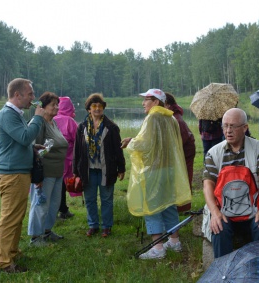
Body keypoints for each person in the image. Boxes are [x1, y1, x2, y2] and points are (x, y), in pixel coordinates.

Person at [121, 89, 191, 260]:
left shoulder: (152, 117)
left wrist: (131, 143)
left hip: (154, 170)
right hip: (169, 169)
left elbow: (144, 144)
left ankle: (157, 247)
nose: (143, 103)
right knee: (168, 203)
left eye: (146, 100)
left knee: (151, 206)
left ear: (156, 101)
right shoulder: (171, 118)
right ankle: (174, 241)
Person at [203, 108, 259, 258]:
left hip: (253, 207)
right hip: (223, 209)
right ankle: (224, 274)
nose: (228, 131)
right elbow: (207, 186)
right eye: (225, 126)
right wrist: (215, 213)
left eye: (233, 126)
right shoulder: (213, 153)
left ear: (245, 128)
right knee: (219, 227)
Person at [0, 78, 45, 273]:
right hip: (11, 174)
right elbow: (24, 137)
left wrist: (33, 147)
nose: (33, 97)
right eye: (30, 94)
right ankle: (4, 263)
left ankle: (12, 252)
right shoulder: (8, 114)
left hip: (18, 173)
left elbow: (19, 141)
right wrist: (38, 117)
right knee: (9, 219)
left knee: (16, 216)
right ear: (17, 95)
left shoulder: (15, 114)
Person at [74, 93, 126, 238]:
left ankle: (106, 227)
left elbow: (118, 150)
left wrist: (121, 168)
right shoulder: (82, 127)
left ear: (103, 108)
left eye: (100, 106)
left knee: (106, 200)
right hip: (88, 170)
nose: (97, 109)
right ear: (89, 109)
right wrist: (75, 172)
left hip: (106, 170)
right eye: (94, 106)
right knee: (90, 199)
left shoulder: (111, 127)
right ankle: (93, 225)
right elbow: (77, 150)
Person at [28, 91, 68, 246]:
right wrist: (36, 176)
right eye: (53, 105)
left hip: (58, 172)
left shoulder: (54, 122)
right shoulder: (38, 123)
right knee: (41, 204)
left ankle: (47, 232)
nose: (57, 107)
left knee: (54, 204)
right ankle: (35, 237)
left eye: (57, 104)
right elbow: (33, 149)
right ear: (42, 108)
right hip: (45, 172)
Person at [164, 92, 196, 212]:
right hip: (183, 151)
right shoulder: (172, 115)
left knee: (184, 179)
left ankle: (183, 207)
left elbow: (180, 139)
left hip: (185, 153)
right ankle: (180, 206)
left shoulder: (175, 118)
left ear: (167, 104)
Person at [53, 96, 78, 219]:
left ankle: (61, 209)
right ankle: (62, 209)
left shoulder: (50, 118)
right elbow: (78, 140)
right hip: (67, 160)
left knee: (56, 185)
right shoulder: (70, 121)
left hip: (52, 160)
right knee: (62, 185)